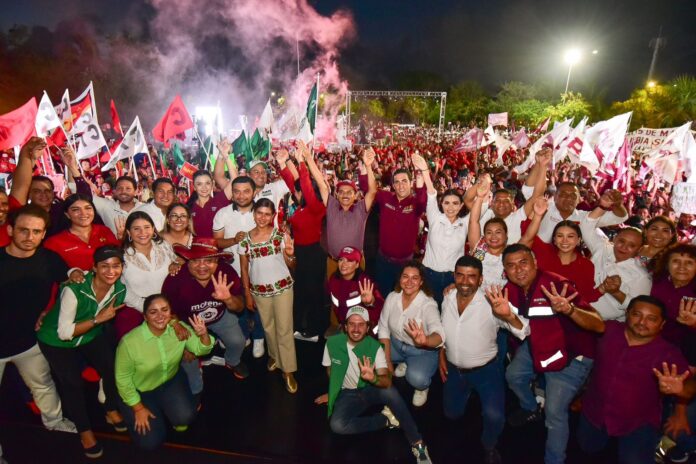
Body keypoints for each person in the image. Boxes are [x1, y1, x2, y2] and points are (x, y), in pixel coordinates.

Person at [501, 243, 605, 464]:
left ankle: (554, 460)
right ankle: (531, 408)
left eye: (523, 263)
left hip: (572, 355)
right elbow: (523, 328)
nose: (518, 270)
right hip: (539, 345)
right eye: (511, 266)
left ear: (535, 263)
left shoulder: (556, 284)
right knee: (513, 375)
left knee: (555, 414)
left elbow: (599, 326)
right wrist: (507, 317)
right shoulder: (508, 291)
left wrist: (569, 309)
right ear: (505, 271)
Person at [577, 295, 695, 464]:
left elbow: (690, 384)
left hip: (638, 423)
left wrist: (681, 392)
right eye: (637, 314)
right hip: (595, 412)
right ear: (627, 314)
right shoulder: (608, 330)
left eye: (651, 319)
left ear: (662, 324)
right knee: (587, 448)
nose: (642, 322)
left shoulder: (668, 353)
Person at [36, 245, 127, 459]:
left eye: (116, 266)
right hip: (56, 340)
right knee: (73, 384)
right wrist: (98, 319)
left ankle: (109, 407)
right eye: (104, 266)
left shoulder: (120, 290)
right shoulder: (74, 289)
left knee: (111, 365)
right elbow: (65, 333)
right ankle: (85, 431)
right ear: (93, 268)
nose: (111, 271)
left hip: (88, 335)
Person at [439, 256, 530, 464]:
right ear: (454, 276)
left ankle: (489, 445)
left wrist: (508, 316)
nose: (465, 281)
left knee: (495, 417)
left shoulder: (492, 302)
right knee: (452, 414)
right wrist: (441, 353)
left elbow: (524, 330)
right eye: (460, 275)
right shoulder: (448, 296)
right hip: (455, 370)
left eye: (472, 277)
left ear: (480, 280)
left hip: (486, 372)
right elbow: (444, 330)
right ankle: (467, 393)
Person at [314, 306, 433, 464]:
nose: (356, 329)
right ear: (345, 326)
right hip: (348, 393)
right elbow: (330, 370)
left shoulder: (375, 347)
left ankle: (418, 443)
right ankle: (385, 420)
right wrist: (333, 393)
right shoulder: (332, 344)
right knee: (337, 425)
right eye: (352, 324)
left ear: (368, 327)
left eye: (361, 324)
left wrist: (373, 378)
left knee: (390, 392)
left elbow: (386, 381)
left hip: (371, 389)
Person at [0, 205, 76, 434]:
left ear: (43, 234)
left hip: (29, 342)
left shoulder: (50, 260)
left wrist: (49, 311)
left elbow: (67, 289)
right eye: (23, 230)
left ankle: (55, 422)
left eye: (36, 231)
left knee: (43, 386)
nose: (29, 237)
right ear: (11, 230)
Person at [115, 294, 214, 450]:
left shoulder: (179, 329)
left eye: (164, 310)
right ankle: (133, 414)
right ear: (145, 316)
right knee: (150, 442)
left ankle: (168, 409)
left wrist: (204, 335)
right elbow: (122, 379)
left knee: (186, 416)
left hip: (169, 382)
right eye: (153, 312)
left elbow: (200, 349)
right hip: (139, 391)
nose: (160, 316)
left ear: (170, 312)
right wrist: (138, 408)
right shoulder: (130, 342)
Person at [162, 237, 248, 393]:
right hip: (187, 323)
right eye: (195, 260)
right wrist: (182, 346)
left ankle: (232, 361)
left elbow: (240, 307)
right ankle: (196, 389)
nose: (202, 266)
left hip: (221, 316)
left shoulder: (226, 272)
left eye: (209, 260)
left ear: (217, 261)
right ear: (187, 261)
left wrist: (228, 299)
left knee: (238, 341)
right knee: (188, 360)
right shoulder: (174, 280)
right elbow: (167, 313)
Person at [239, 198, 298, 393]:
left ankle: (288, 370)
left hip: (283, 288)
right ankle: (274, 355)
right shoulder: (244, 240)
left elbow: (292, 266)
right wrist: (247, 295)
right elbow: (244, 270)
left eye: (267, 214)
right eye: (259, 213)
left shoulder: (280, 235)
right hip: (259, 292)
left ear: (273, 216)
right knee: (268, 326)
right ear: (253, 213)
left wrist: (290, 254)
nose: (262, 217)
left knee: (284, 329)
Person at [277, 142, 329, 340]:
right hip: (300, 251)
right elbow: (295, 184)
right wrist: (284, 163)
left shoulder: (317, 208)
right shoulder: (300, 206)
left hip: (314, 253)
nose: (295, 192)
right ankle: (299, 325)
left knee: (313, 292)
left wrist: (302, 163)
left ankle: (316, 329)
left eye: (298, 191)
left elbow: (304, 186)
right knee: (300, 290)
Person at [378, 261, 444, 407]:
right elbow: (383, 328)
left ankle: (423, 387)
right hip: (397, 344)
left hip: (421, 351)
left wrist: (425, 340)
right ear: (400, 279)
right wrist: (387, 361)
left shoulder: (428, 304)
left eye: (415, 278)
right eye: (405, 276)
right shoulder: (392, 297)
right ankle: (403, 361)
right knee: (375, 357)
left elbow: (439, 335)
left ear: (421, 282)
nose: (409, 282)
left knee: (416, 379)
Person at [212, 176, 266, 357]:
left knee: (259, 304)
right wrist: (234, 240)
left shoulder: (262, 212)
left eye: (246, 191)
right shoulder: (222, 213)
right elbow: (217, 243)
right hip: (232, 269)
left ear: (254, 192)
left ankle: (259, 337)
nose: (241, 196)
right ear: (232, 193)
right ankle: (244, 335)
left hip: (259, 269)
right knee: (238, 305)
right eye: (237, 191)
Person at [360, 152, 427, 295]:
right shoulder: (386, 198)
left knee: (402, 299)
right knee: (382, 297)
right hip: (383, 261)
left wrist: (421, 172)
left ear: (411, 183)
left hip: (405, 264)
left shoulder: (415, 204)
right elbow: (368, 188)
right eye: (396, 182)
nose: (400, 185)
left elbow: (422, 198)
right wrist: (368, 166)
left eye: (404, 181)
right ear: (393, 185)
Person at [580, 193, 652, 321]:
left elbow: (637, 307)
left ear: (639, 249)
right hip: (576, 310)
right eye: (621, 241)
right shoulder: (603, 249)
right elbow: (586, 225)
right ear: (614, 238)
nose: (623, 247)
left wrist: (616, 292)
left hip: (604, 325)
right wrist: (603, 206)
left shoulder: (642, 276)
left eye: (632, 245)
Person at [412, 153, 468, 306]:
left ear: (461, 205)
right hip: (429, 276)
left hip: (453, 279)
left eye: (455, 203)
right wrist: (425, 171)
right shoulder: (435, 217)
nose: (451, 207)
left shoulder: (466, 223)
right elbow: (431, 193)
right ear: (441, 204)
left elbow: (479, 207)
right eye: (447, 203)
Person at [10, 138, 92, 237]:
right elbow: (20, 184)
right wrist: (30, 158)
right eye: (37, 191)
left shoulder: (62, 209)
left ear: (53, 193)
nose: (43, 194)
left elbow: (85, 198)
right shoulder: (22, 213)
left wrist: (73, 167)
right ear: (29, 194)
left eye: (47, 190)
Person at [117, 212, 180, 339]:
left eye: (147, 227)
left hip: (169, 305)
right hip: (136, 309)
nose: (143, 232)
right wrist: (149, 309)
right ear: (129, 232)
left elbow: (179, 263)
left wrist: (176, 264)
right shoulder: (122, 256)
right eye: (136, 229)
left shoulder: (163, 246)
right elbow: (121, 289)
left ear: (153, 229)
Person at [60, 146, 141, 237]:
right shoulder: (106, 207)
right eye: (120, 188)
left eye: (128, 189)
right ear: (114, 191)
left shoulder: (145, 208)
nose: (123, 191)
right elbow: (83, 193)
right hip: (115, 249)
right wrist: (72, 167)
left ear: (136, 191)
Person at [324, 148, 377, 277]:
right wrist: (308, 158)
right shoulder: (331, 206)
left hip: (356, 265)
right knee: (332, 294)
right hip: (333, 263)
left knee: (358, 296)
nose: (345, 195)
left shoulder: (361, 209)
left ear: (356, 195)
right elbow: (321, 185)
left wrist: (368, 166)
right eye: (341, 191)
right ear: (336, 194)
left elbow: (373, 191)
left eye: (349, 192)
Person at [523, 180, 628, 243]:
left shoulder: (586, 218)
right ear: (555, 197)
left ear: (579, 200)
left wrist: (617, 204)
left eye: (573, 195)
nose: (568, 198)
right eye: (564, 194)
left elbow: (620, 217)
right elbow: (528, 191)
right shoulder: (543, 208)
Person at [44, 194, 120, 275]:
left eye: (88, 208)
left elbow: (118, 258)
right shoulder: (53, 243)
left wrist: (122, 239)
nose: (83, 213)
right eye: (76, 209)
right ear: (67, 214)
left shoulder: (104, 231)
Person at [530, 220, 602, 302]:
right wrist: (538, 216)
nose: (565, 241)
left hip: (568, 312)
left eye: (570, 236)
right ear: (554, 239)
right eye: (560, 236)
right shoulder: (544, 251)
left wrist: (603, 288)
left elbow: (586, 297)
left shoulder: (586, 265)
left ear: (578, 240)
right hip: (537, 306)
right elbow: (528, 232)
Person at [328, 246, 384, 328]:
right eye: (341, 259)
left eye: (349, 260)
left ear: (357, 264)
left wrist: (371, 302)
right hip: (345, 325)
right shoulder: (334, 279)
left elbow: (381, 305)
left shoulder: (365, 282)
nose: (344, 264)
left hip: (365, 328)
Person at [187, 170, 232, 237]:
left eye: (207, 183)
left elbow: (234, 179)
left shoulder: (219, 200)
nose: (204, 187)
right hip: (196, 247)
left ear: (212, 185)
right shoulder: (188, 207)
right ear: (194, 187)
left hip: (219, 246)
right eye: (199, 184)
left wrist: (226, 159)